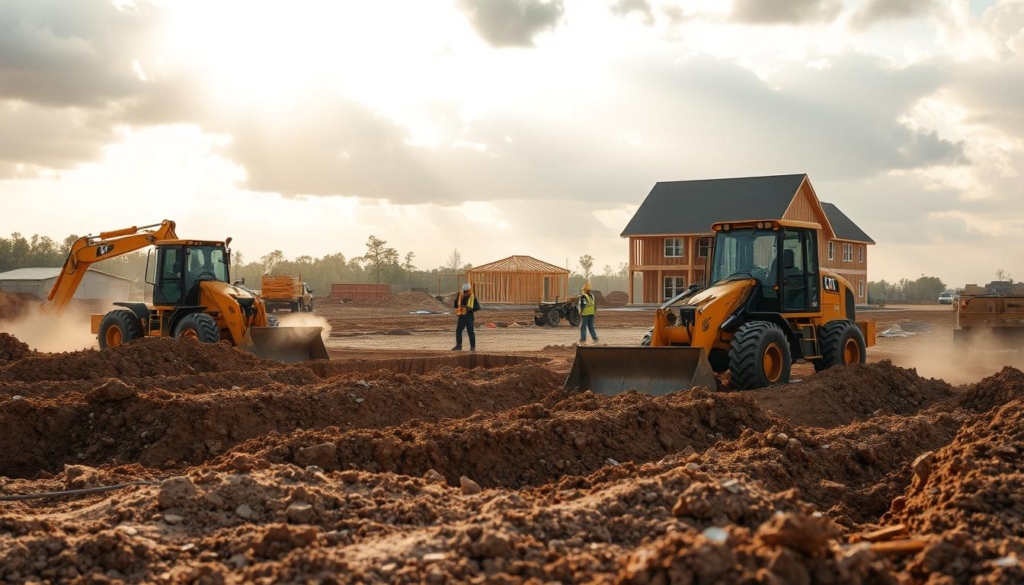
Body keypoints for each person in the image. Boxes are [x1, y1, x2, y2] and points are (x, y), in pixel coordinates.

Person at [452, 282, 480, 351]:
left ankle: (472, 347)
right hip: (461, 316)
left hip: (469, 316)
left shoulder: (472, 296)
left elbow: (477, 307)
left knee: (470, 331)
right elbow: (455, 305)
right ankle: (459, 346)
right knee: (459, 331)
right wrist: (458, 297)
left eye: (466, 291)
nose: (465, 292)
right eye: (465, 291)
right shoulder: (460, 295)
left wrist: (470, 308)